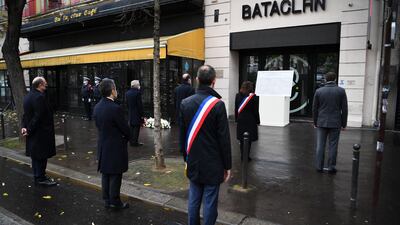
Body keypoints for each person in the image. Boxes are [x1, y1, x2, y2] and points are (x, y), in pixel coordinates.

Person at [179, 65, 232, 225]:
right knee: (210, 202)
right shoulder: (218, 105)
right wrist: (227, 165)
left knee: (194, 199)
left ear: (196, 80)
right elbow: (224, 139)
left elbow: (182, 135)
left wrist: (186, 158)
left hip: (193, 160)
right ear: (214, 81)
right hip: (213, 162)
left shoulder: (185, 103)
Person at [93, 78, 131, 209]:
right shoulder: (115, 108)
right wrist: (127, 137)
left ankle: (107, 199)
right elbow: (125, 129)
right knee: (115, 174)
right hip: (115, 146)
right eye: (115, 88)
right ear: (112, 90)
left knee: (106, 173)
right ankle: (115, 201)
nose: (116, 91)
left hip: (103, 145)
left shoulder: (97, 107)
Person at [21, 77, 57, 186]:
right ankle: (41, 178)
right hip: (40, 133)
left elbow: (25, 115)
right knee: (41, 156)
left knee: (35, 156)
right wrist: (29, 129)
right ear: (40, 85)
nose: (46, 85)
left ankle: (38, 176)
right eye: (45, 83)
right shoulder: (39, 97)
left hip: (33, 132)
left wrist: (24, 127)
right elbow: (38, 116)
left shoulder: (28, 96)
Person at [312, 72, 348, 174]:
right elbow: (344, 109)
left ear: (325, 79)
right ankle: (331, 167)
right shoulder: (341, 91)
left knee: (320, 145)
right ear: (335, 79)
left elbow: (314, 109)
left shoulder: (319, 91)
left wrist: (315, 122)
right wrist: (344, 124)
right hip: (336, 122)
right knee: (333, 145)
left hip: (321, 122)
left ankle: (319, 166)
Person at [235, 81, 260, 161]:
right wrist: (257, 121)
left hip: (241, 120)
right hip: (250, 121)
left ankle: (242, 155)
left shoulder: (238, 95)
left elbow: (236, 109)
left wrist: (236, 119)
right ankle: (246, 156)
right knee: (248, 140)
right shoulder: (254, 97)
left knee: (242, 139)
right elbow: (255, 111)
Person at [125, 80, 144, 147]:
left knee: (131, 127)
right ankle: (135, 142)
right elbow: (139, 105)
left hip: (130, 112)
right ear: (136, 85)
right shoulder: (138, 93)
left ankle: (131, 141)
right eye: (139, 84)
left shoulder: (127, 93)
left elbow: (126, 104)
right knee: (136, 128)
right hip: (137, 113)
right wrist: (142, 114)